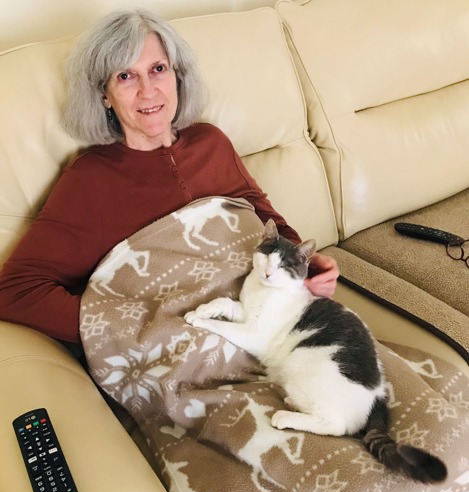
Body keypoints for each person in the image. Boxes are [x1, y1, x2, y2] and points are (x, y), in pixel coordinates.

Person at [0, 9, 339, 345]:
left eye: (157, 69)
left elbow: (262, 214)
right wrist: (136, 330)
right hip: (191, 351)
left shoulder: (212, 142)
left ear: (177, 76)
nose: (148, 91)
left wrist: (306, 269)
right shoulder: (91, 180)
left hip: (271, 325)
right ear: (104, 95)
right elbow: (16, 291)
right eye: (125, 76)